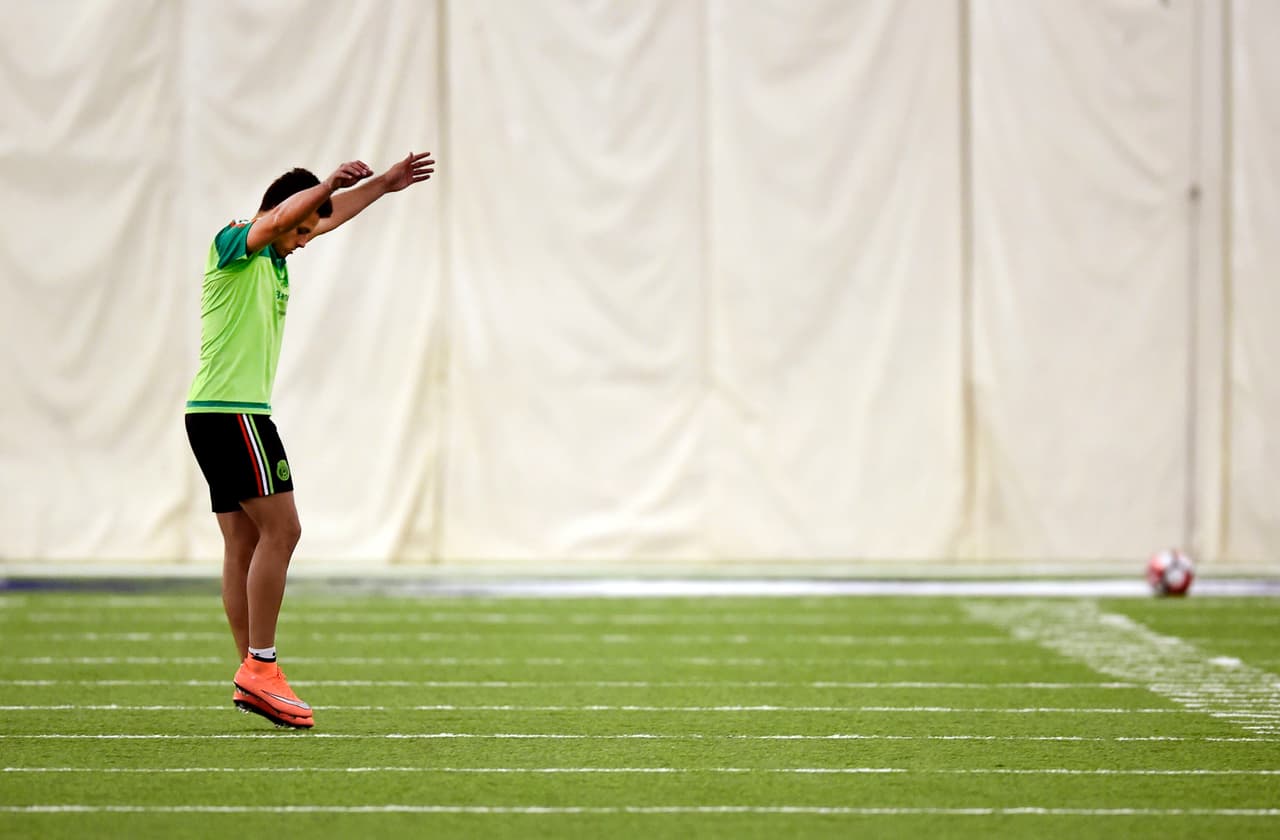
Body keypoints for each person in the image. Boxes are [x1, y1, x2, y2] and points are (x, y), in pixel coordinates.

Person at [184, 151, 435, 728]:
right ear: (279, 212)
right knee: (285, 529)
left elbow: (321, 217)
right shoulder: (236, 241)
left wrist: (381, 186)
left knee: (243, 545)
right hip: (235, 416)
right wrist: (323, 184)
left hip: (212, 415)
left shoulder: (273, 257)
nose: (304, 241)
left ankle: (251, 670)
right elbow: (279, 221)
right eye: (300, 230)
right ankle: (262, 668)